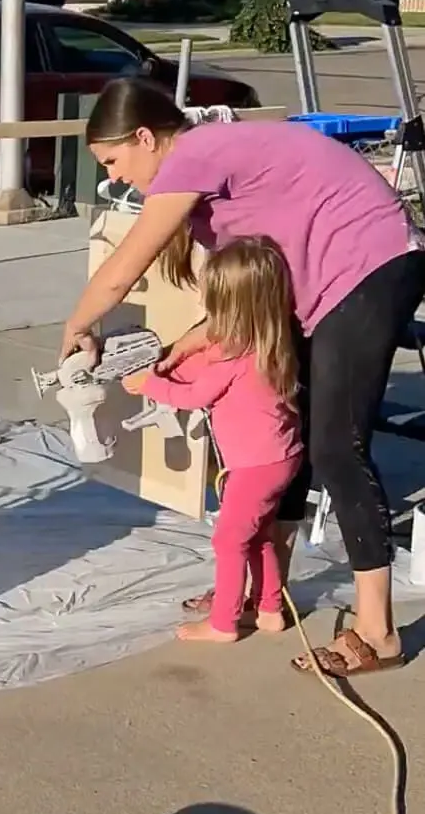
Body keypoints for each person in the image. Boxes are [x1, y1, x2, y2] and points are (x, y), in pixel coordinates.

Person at [61, 78, 425, 677]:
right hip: (325, 283)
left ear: (145, 137)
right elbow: (249, 301)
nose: (116, 179)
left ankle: (377, 631)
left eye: (113, 161)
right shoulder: (213, 180)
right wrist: (181, 348)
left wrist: (77, 326)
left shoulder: (195, 155)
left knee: (337, 445)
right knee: (290, 429)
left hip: (372, 262)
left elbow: (124, 267)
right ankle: (266, 593)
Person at [122, 238, 302, 643]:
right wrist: (174, 362)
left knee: (229, 539)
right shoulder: (267, 342)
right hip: (279, 459)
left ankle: (224, 622)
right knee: (259, 534)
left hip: (254, 467)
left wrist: (149, 384)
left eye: (210, 294)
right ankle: (270, 609)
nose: (202, 298)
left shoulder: (233, 357)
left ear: (231, 306)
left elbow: (194, 396)